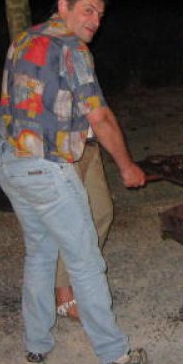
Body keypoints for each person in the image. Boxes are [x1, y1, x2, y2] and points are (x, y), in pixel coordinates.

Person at [0, 0, 147, 364]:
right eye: (87, 10)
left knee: (40, 253)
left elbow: (27, 103)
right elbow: (101, 116)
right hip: (44, 167)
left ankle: (35, 346)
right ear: (63, 6)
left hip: (9, 160)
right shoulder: (73, 49)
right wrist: (127, 165)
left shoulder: (24, 39)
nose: (95, 20)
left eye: (100, 14)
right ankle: (113, 355)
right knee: (85, 260)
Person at [54, 135, 112, 322]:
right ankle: (63, 292)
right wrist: (126, 164)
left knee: (101, 212)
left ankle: (82, 277)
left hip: (87, 140)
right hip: (60, 143)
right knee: (69, 219)